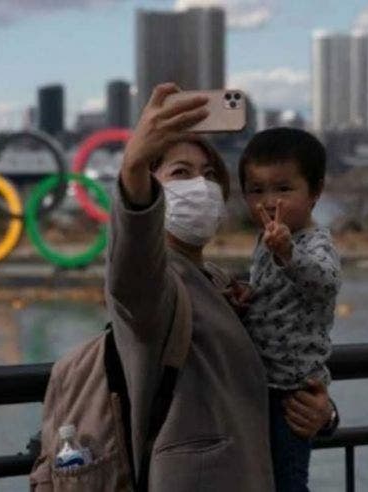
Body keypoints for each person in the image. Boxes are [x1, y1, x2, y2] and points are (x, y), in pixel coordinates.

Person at [107, 82, 338, 490]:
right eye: (181, 172)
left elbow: (263, 368)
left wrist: (323, 413)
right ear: (152, 186)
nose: (202, 184)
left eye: (211, 174)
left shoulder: (219, 283)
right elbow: (130, 266)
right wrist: (132, 169)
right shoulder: (153, 285)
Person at [237, 128, 341, 491]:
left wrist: (287, 254)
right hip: (261, 384)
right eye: (256, 190)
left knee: (287, 481)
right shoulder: (266, 241)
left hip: (290, 390)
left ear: (314, 193)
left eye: (283, 189)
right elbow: (269, 292)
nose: (268, 201)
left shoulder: (313, 242)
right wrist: (245, 296)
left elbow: (325, 282)